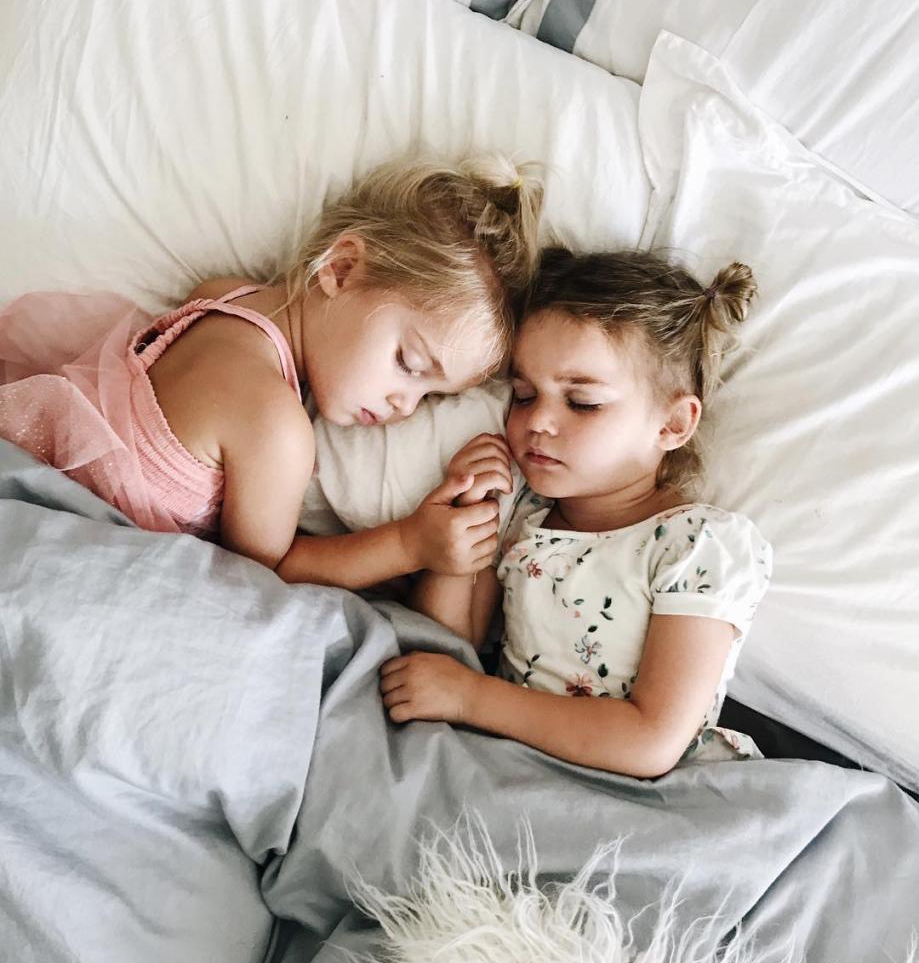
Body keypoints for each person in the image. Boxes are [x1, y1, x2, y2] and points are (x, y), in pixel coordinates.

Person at [0, 154, 542, 587]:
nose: (405, 405)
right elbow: (262, 574)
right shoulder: (276, 427)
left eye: (429, 396)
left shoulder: (223, 295)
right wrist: (408, 544)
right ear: (341, 268)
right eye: (409, 363)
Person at [379, 247, 773, 778]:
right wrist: (462, 520)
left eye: (582, 403)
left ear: (673, 424)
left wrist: (472, 698)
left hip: (646, 793)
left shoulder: (699, 544)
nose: (538, 421)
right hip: (512, 768)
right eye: (523, 395)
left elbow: (651, 740)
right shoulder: (525, 520)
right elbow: (447, 650)